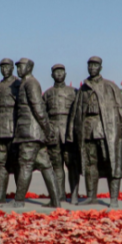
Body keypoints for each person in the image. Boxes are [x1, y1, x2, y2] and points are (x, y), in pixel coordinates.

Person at [68, 56, 122, 208]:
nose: (92, 68)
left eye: (95, 65)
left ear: (100, 68)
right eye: (90, 65)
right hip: (87, 131)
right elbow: (75, 113)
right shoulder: (83, 89)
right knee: (90, 164)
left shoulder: (110, 86)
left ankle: (114, 199)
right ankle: (91, 196)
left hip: (106, 130)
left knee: (111, 163)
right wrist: (71, 134)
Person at [11, 58, 60, 208]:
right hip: (34, 133)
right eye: (17, 66)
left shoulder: (30, 83)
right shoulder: (26, 83)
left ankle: (19, 201)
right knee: (45, 165)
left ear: (30, 67)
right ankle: (55, 201)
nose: (18, 69)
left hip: (30, 133)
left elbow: (38, 108)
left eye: (21, 66)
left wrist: (47, 129)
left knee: (25, 165)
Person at [43, 64, 77, 203]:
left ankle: (74, 195)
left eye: (61, 72)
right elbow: (43, 115)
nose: (59, 74)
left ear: (65, 74)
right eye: (56, 72)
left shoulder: (74, 92)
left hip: (69, 131)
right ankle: (59, 195)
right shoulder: (47, 94)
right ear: (52, 75)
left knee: (72, 164)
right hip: (53, 131)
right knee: (56, 165)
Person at [0, 58, 20, 204]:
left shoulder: (19, 85)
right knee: (1, 164)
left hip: (15, 129)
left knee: (18, 163)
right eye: (2, 67)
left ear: (12, 68)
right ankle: (1, 195)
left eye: (7, 67)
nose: (4, 69)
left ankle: (20, 195)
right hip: (1, 129)